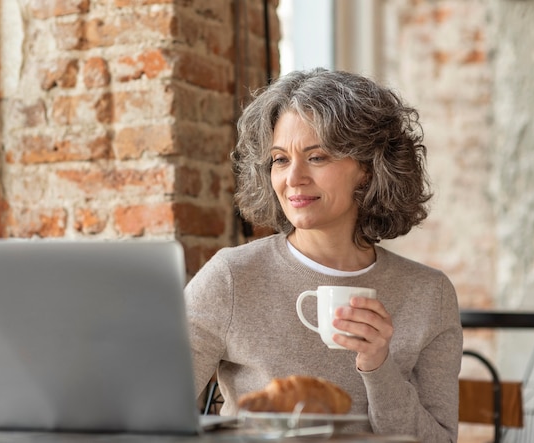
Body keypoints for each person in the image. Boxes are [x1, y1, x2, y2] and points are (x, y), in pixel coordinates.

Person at [184, 68, 463, 442]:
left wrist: (378, 366)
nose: (293, 177)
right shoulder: (233, 277)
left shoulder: (429, 294)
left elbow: (439, 440)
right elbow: (152, 408)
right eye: (280, 159)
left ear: (367, 169)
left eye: (316, 157)